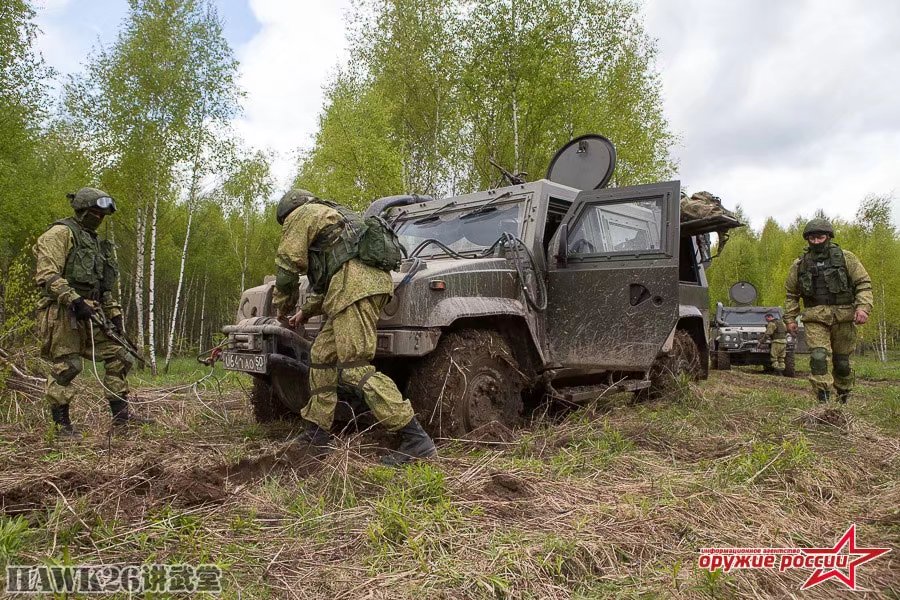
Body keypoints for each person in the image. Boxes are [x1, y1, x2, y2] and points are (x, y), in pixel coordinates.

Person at [271, 189, 437, 465]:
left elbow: (288, 265)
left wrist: (283, 307)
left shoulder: (302, 216)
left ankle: (415, 438)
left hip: (354, 291)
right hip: (353, 289)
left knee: (353, 367)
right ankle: (318, 433)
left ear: (288, 211)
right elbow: (334, 271)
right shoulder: (335, 217)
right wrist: (305, 311)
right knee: (322, 357)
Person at [33, 187, 151, 437]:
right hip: (63, 312)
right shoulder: (60, 233)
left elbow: (101, 287)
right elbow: (46, 275)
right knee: (68, 366)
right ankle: (61, 426)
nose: (99, 218)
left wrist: (114, 313)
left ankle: (121, 418)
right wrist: (75, 301)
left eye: (103, 214)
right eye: (95, 213)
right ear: (83, 210)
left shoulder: (96, 243)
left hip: (93, 312)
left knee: (121, 354)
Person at [784, 218, 873, 403]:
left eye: (820, 237)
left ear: (828, 237)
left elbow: (863, 284)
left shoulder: (846, 258)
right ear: (807, 239)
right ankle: (823, 402)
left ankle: (843, 398)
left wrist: (863, 308)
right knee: (818, 358)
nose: (816, 241)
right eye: (812, 238)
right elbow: (792, 294)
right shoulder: (800, 264)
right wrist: (790, 319)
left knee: (842, 363)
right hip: (815, 317)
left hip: (843, 317)